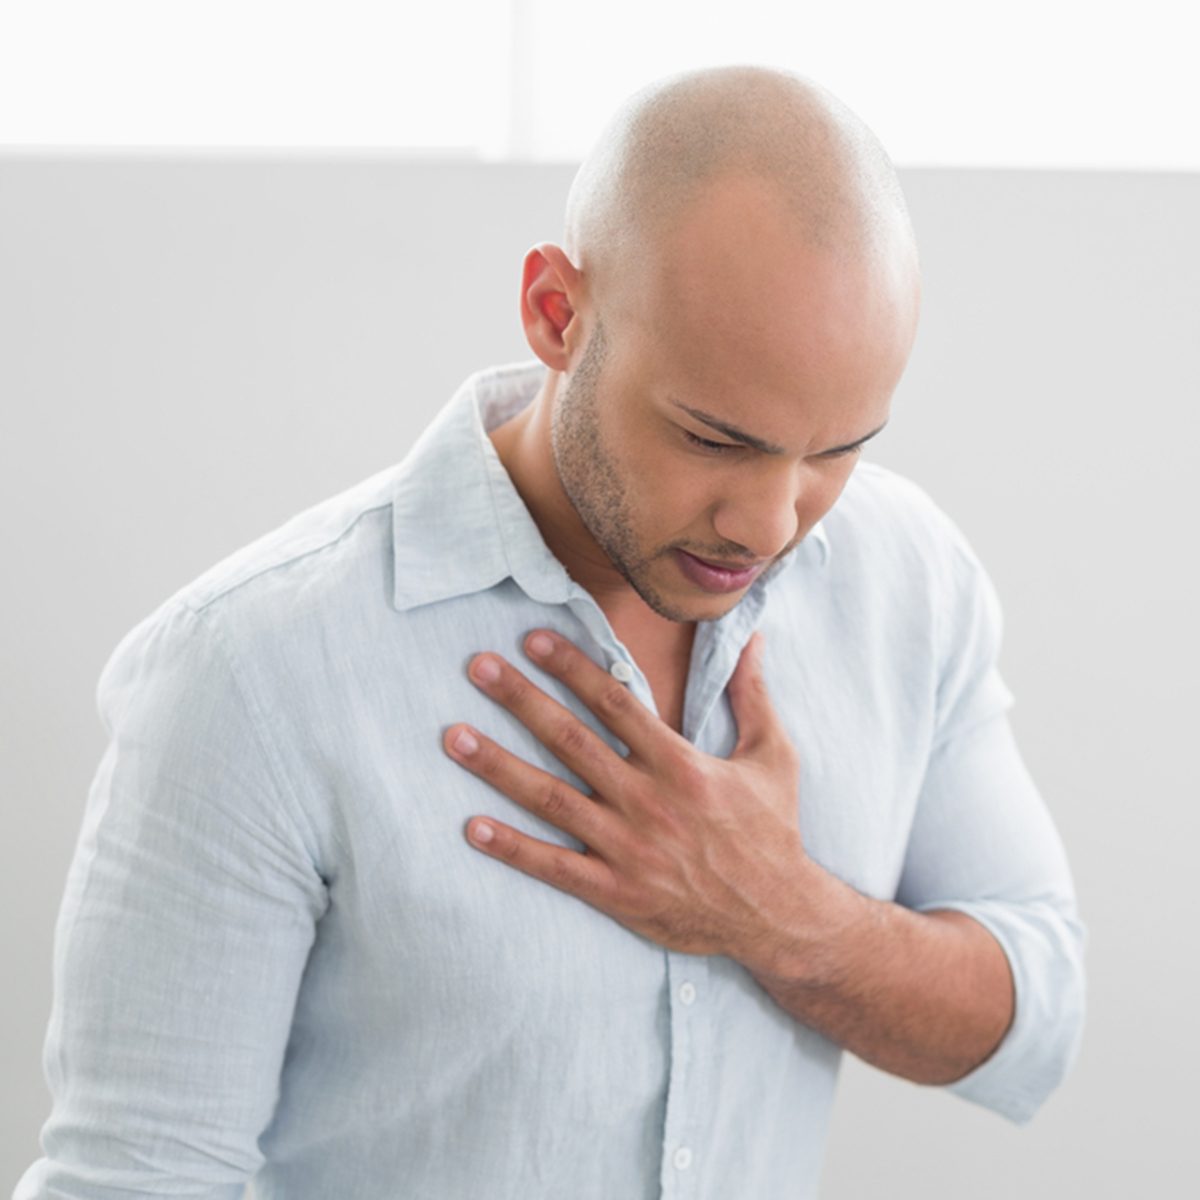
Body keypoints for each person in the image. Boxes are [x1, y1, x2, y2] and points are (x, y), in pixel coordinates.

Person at [15, 64, 1085, 1200]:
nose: (770, 522)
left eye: (834, 450)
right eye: (714, 438)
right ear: (555, 315)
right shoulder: (250, 674)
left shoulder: (906, 580)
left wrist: (785, 914)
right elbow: (131, 1181)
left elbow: (1036, 1026)